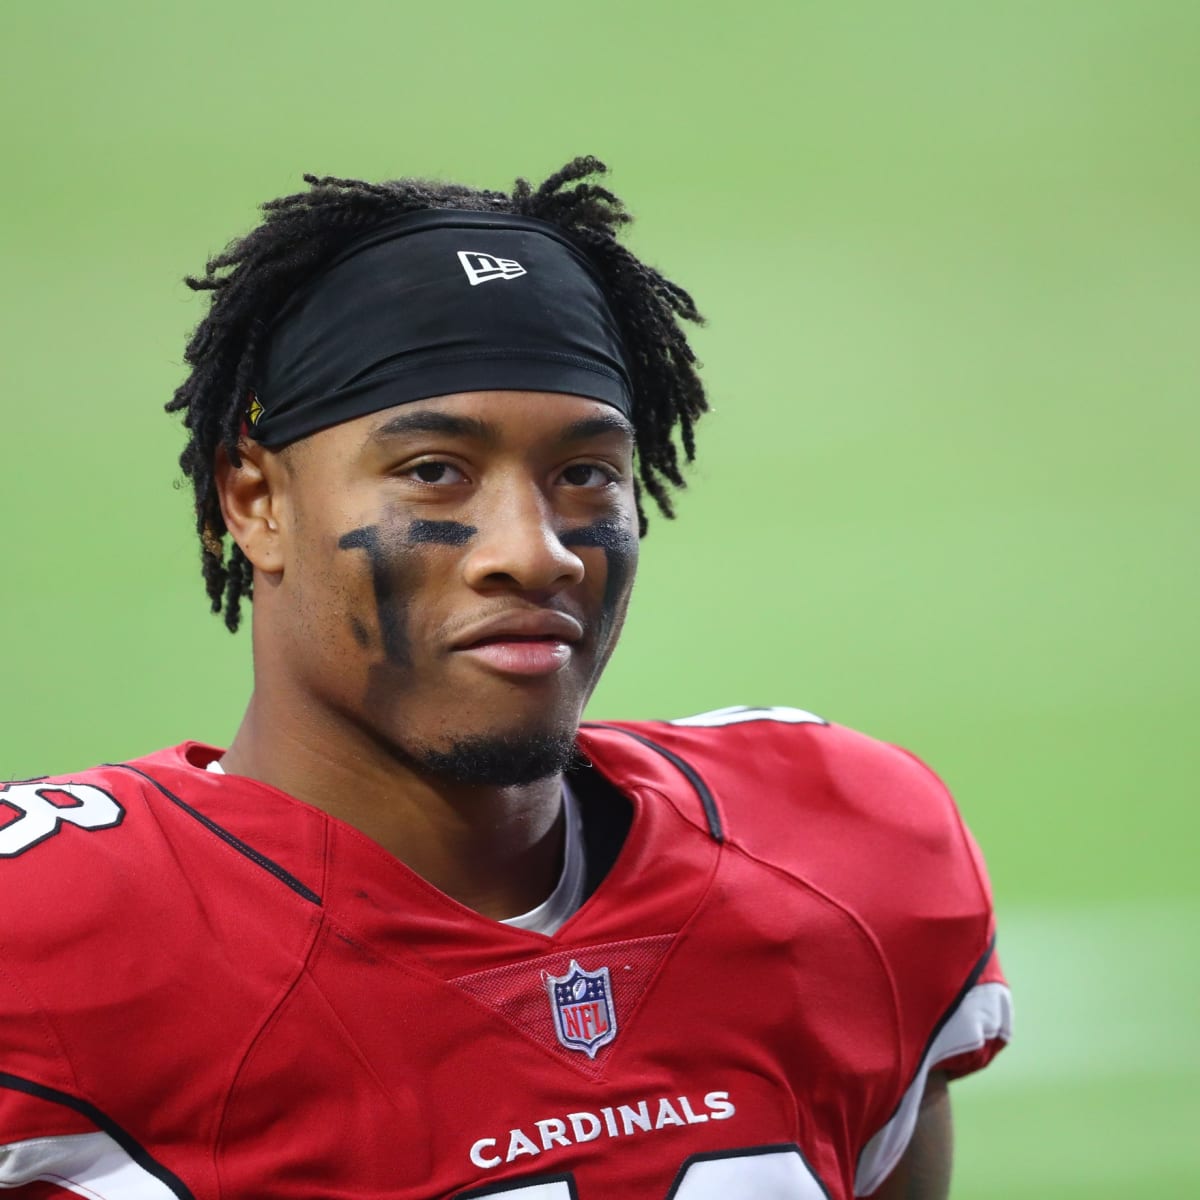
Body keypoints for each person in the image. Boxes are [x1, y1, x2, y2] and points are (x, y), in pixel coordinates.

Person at [0, 157, 1010, 1199]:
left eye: (585, 475)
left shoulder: (841, 852)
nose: (537, 553)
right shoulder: (41, 941)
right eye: (434, 468)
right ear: (254, 503)